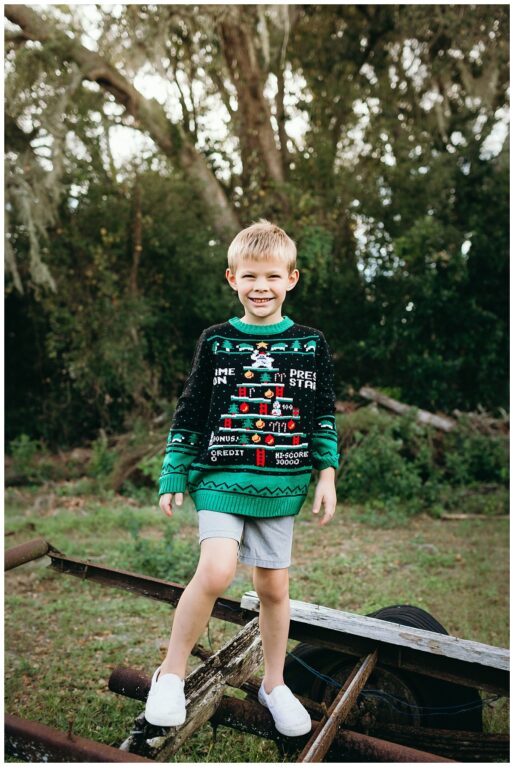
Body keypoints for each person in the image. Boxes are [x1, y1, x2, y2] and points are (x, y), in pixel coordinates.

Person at [144, 220, 339, 736]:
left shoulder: (310, 344)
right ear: (232, 278)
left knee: (273, 586)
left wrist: (327, 474)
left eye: (272, 276)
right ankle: (170, 674)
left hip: (282, 484)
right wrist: (174, 472)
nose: (261, 286)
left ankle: (274, 684)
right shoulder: (216, 342)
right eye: (250, 275)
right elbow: (190, 411)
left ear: (292, 279)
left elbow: (321, 414)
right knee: (215, 570)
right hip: (219, 475)